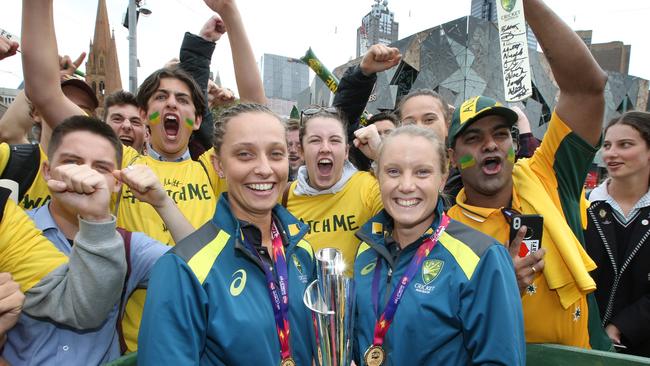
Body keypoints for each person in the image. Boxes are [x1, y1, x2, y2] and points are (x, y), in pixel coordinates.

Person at [446, 0, 610, 349]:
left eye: (500, 135)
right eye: (473, 139)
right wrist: (501, 286)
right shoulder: (442, 232)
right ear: (453, 158)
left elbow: (587, 88)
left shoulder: (547, 174)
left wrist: (527, 4)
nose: (490, 146)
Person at [1, 116, 197, 365]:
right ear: (47, 172)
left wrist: (162, 202)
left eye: (101, 168)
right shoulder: (11, 229)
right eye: (72, 162)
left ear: (117, 183)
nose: (85, 175)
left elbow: (201, 271)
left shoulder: (129, 247)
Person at [139, 103, 316, 365]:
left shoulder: (302, 250)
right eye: (245, 155)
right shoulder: (183, 268)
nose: (265, 169)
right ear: (218, 165)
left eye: (276, 154)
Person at [353, 125, 525, 365]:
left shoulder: (482, 257)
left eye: (422, 172)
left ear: (443, 179)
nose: (406, 185)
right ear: (378, 177)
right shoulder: (366, 249)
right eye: (393, 171)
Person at [284, 107, 383, 274]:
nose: (325, 148)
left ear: (346, 152)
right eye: (315, 140)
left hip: (359, 299)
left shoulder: (369, 187)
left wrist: (381, 153)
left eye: (334, 140)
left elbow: (417, 206)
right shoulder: (285, 196)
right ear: (301, 150)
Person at [585, 111, 650, 357]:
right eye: (608, 145)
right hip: (581, 344)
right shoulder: (585, 208)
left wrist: (623, 326)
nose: (611, 153)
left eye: (625, 145)